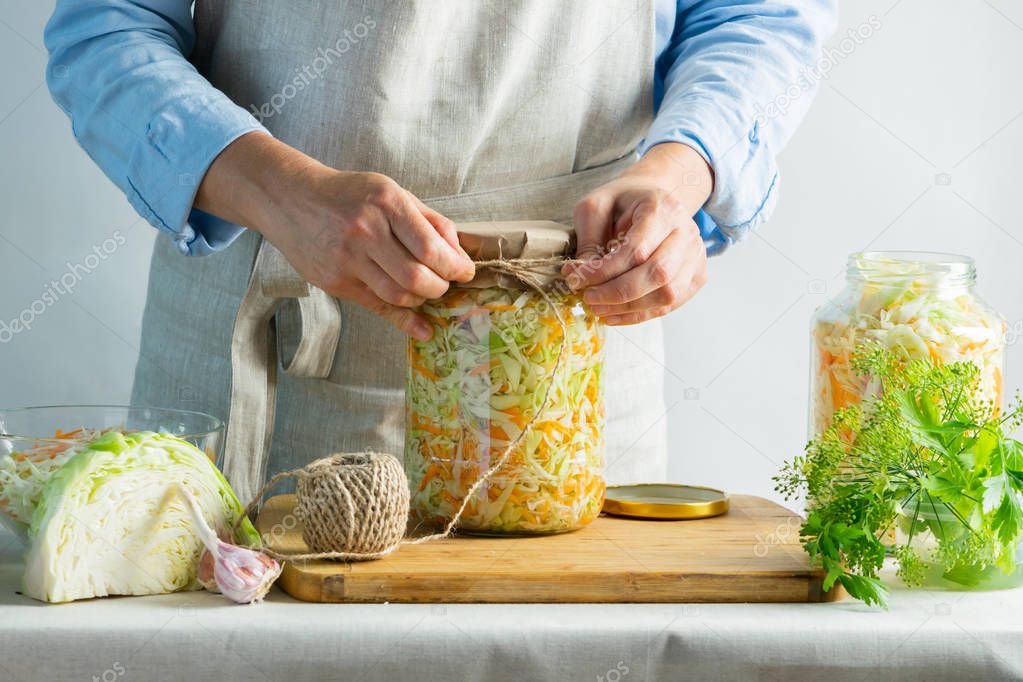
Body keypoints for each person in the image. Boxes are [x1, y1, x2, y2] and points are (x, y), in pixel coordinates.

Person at [44, 0, 836, 499]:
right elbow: (102, 30)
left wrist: (683, 168)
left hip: (566, 365)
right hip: (264, 339)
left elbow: (758, 15)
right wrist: (286, 195)